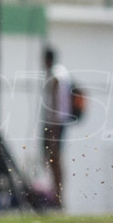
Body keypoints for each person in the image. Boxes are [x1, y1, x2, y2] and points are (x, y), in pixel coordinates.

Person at [41, 46, 72, 209]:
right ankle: (58, 195)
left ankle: (58, 197)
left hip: (55, 123)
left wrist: (52, 125)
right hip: (59, 122)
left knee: (54, 159)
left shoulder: (54, 75)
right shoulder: (62, 72)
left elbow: (55, 101)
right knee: (54, 159)